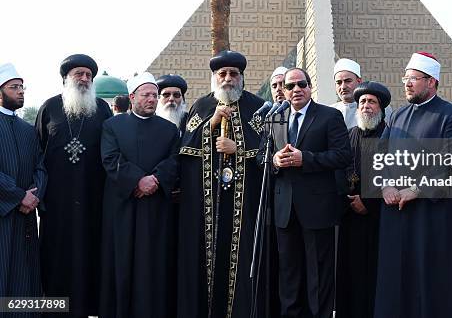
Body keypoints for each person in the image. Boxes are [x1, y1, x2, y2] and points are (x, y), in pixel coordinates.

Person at [374, 51, 452, 318]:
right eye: (406, 78)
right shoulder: (395, 117)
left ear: (431, 82)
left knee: (429, 280)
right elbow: (379, 156)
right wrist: (386, 187)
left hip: (431, 214)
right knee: (395, 280)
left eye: (413, 78)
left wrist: (416, 190)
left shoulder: (451, 116)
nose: (407, 83)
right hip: (395, 212)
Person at [177, 50, 268, 318]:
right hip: (208, 208)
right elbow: (185, 149)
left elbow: (268, 151)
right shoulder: (202, 106)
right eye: (223, 74)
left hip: (245, 204)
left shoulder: (257, 108)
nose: (228, 79)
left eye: (233, 74)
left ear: (241, 77)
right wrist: (212, 125)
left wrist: (237, 148)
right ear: (215, 77)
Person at [270, 67, 352, 318]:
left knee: (319, 274)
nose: (296, 90)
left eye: (301, 84)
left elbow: (343, 155)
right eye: (290, 86)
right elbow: (263, 156)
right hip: (285, 209)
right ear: (283, 90)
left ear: (310, 86)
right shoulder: (276, 117)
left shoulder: (329, 116)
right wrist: (275, 160)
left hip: (317, 208)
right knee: (289, 273)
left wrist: (306, 159)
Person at [35, 54, 112, 318]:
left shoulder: (102, 109)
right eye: (79, 74)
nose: (84, 79)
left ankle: (88, 309)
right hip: (56, 203)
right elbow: (37, 154)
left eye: (89, 75)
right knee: (56, 257)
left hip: (94, 200)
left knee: (90, 255)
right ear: (66, 78)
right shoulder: (49, 108)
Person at [99, 73, 179, 318]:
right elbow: (110, 159)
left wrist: (154, 180)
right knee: (121, 263)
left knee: (151, 265)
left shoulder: (169, 129)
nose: (152, 100)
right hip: (122, 207)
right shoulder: (112, 126)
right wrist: (137, 180)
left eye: (155, 95)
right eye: (146, 95)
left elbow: (175, 160)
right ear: (132, 97)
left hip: (155, 209)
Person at [335, 81, 390, 318]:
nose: (366, 106)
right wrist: (348, 199)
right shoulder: (347, 136)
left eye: (371, 102)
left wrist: (367, 202)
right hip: (349, 218)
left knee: (375, 276)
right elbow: (337, 170)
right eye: (362, 102)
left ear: (381, 108)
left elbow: (393, 174)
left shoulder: (390, 136)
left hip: (379, 219)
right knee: (350, 275)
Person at [0, 64, 47, 315]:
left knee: (24, 278)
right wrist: (18, 196)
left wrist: (34, 196)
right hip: (4, 215)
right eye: (14, 87)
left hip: (26, 219)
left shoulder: (28, 130)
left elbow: (41, 166)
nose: (20, 92)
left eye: (21, 87)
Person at [331, 58, 391, 129]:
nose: (343, 87)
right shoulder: (330, 111)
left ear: (359, 81)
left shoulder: (381, 108)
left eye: (348, 81)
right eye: (339, 83)